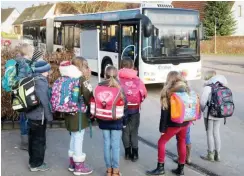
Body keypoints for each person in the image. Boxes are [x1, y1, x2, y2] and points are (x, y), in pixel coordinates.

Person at [146, 71, 191, 176]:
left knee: (161, 142)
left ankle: (160, 168)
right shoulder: (186, 89)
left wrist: (162, 130)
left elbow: (164, 113)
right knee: (182, 142)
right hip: (185, 122)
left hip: (173, 123)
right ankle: (181, 169)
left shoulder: (168, 91)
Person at [61, 58, 93, 175]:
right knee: (78, 137)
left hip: (68, 112)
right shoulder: (81, 79)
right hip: (79, 113)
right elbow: (88, 96)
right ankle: (79, 166)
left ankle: (72, 163)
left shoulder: (66, 77)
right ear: (82, 67)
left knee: (73, 136)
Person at [97, 66, 128, 176]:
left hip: (103, 120)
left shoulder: (99, 86)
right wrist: (124, 122)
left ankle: (108, 170)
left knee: (106, 144)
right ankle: (115, 171)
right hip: (117, 121)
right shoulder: (120, 87)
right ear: (117, 75)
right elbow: (125, 107)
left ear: (105, 75)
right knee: (115, 146)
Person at [118, 58, 147, 162]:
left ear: (121, 66)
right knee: (134, 131)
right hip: (135, 110)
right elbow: (144, 93)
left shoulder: (117, 79)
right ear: (132, 67)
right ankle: (135, 154)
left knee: (125, 131)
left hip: (122, 110)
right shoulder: (138, 79)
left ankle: (127, 152)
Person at [26, 60, 53, 172]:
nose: (48, 72)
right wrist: (50, 117)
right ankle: (37, 164)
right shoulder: (41, 82)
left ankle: (32, 162)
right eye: (47, 70)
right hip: (39, 116)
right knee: (39, 141)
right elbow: (45, 102)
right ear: (43, 71)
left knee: (32, 139)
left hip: (31, 115)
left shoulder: (32, 78)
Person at [200, 70, 227, 162]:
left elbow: (203, 102)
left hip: (209, 113)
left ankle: (210, 155)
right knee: (216, 133)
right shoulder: (221, 86)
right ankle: (217, 155)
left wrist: (202, 110)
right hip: (219, 113)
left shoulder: (208, 87)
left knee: (209, 133)